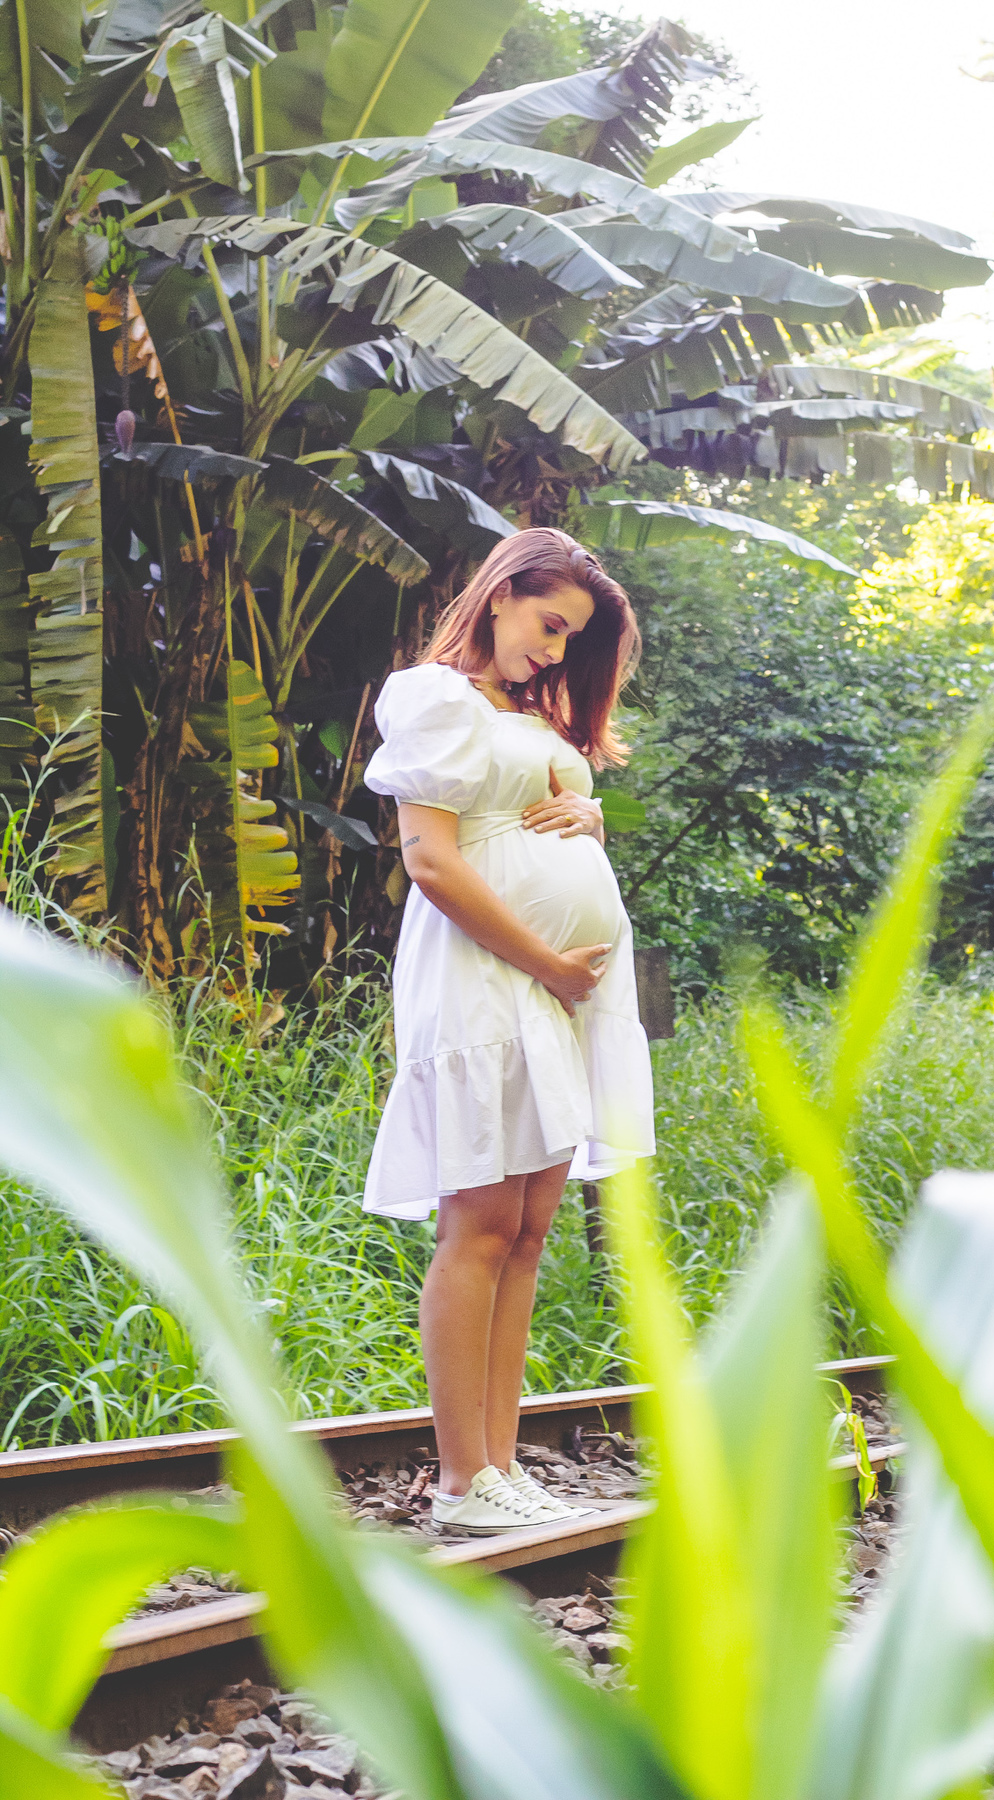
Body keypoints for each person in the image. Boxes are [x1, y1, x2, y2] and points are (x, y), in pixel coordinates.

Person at [362, 527, 655, 1534]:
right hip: (486, 982)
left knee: (528, 1232)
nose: (554, 650)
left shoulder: (530, 717)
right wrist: (547, 961)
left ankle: (500, 1463)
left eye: (571, 638)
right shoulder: (435, 698)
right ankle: (458, 1479)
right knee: (479, 1226)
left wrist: (591, 823)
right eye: (548, 624)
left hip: (550, 996)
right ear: (497, 598)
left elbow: (542, 811)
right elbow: (432, 864)